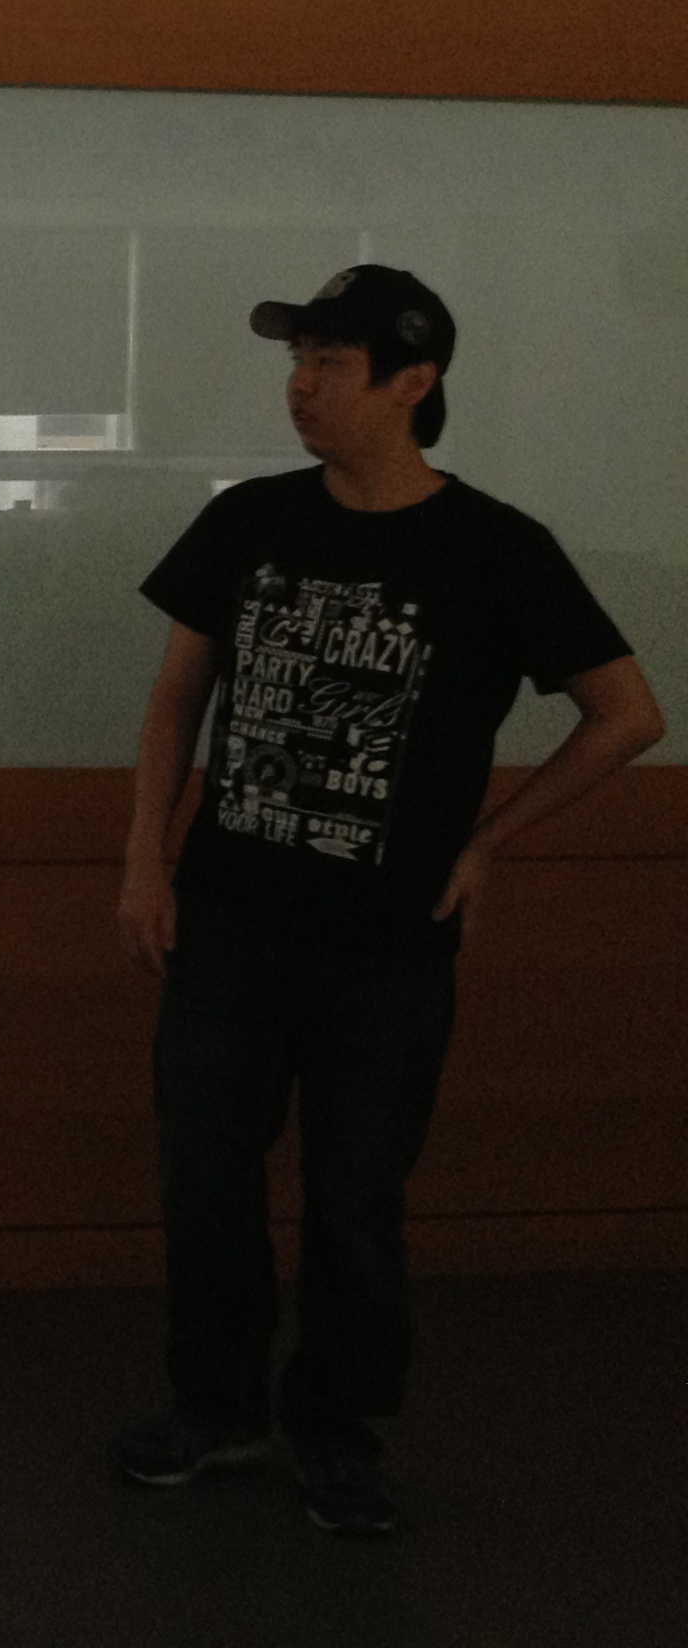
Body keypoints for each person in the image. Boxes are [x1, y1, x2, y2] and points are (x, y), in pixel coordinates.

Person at [111, 266, 661, 1535]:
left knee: (355, 1195)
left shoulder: (496, 549)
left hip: (388, 938)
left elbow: (627, 715)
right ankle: (216, 1405)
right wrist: (144, 858)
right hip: (230, 917)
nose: (301, 386)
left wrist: (494, 841)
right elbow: (177, 699)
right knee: (205, 1173)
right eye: (296, 359)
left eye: (331, 364)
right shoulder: (249, 520)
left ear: (414, 384)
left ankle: (336, 1425)